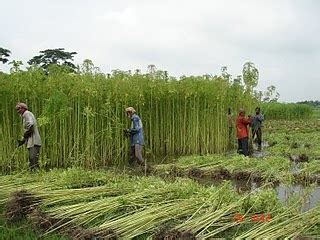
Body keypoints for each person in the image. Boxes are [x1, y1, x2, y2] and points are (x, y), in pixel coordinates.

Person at [16, 102, 42, 170]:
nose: (18, 111)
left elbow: (31, 126)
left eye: (19, 109)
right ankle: (34, 175)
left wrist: (24, 136)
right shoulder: (25, 116)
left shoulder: (27, 113)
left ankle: (36, 176)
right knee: (32, 160)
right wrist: (22, 141)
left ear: (23, 108)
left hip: (34, 141)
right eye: (16, 109)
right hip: (31, 141)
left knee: (33, 160)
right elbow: (28, 129)